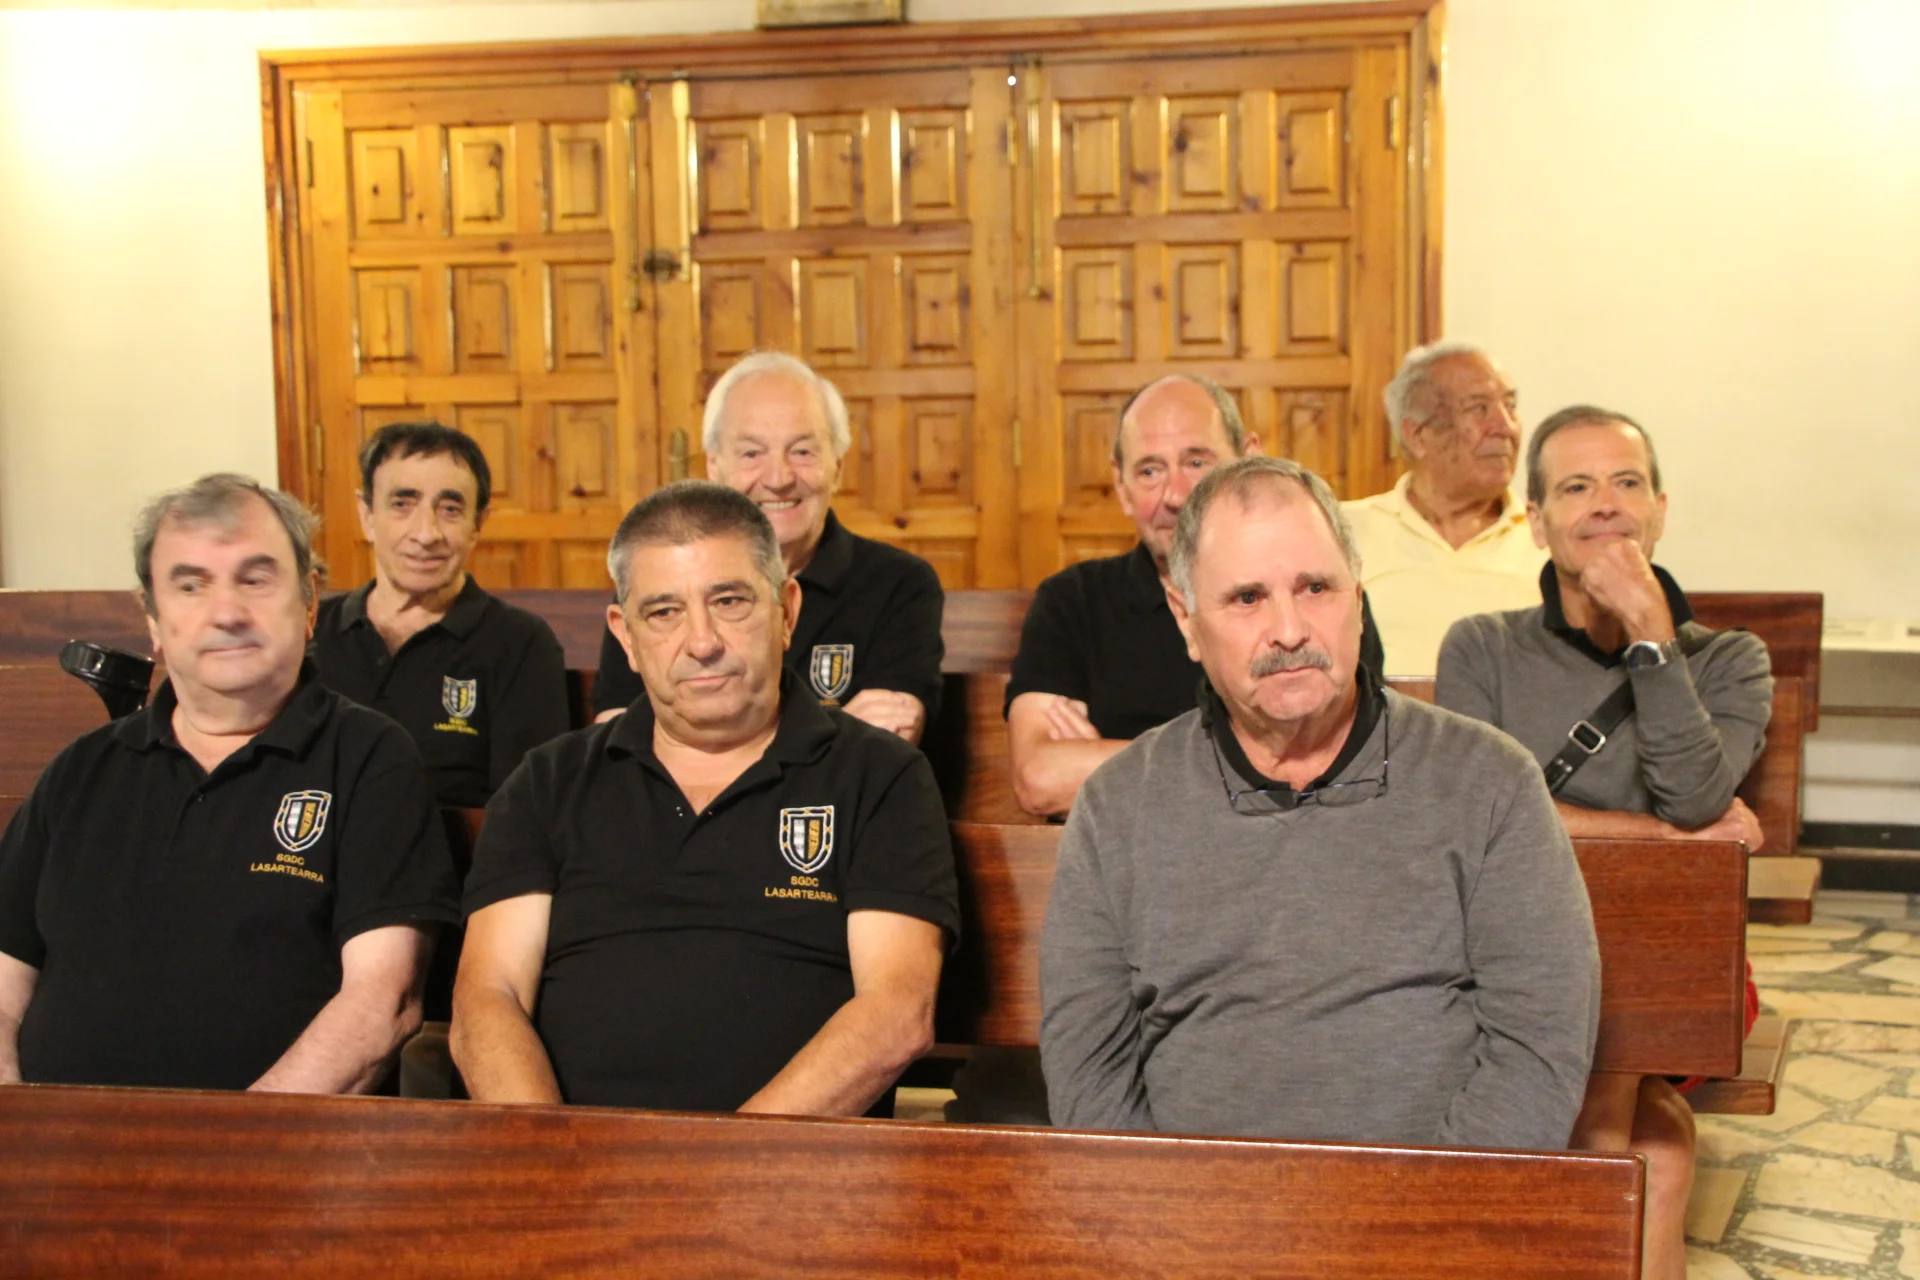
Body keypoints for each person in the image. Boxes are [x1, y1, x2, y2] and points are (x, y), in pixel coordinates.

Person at [1041, 456, 1599, 1149]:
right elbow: (1089, 1072)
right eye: (1247, 598)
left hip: (1434, 1204)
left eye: (1315, 588)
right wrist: (1172, 1209)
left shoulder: (1489, 782)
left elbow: (1537, 1052)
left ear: (1357, 598)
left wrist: (1427, 1208)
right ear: (1186, 620)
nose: (1289, 630)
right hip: (1186, 1208)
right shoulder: (1118, 805)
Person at [452, 482, 958, 1115]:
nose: (701, 641)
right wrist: (553, 1157)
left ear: (787, 611)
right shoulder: (548, 780)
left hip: (791, 1159)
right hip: (572, 1156)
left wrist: (720, 1163)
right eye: (663, 612)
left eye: (729, 601)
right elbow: (488, 999)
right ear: (626, 637)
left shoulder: (879, 775)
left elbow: (897, 1012)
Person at [1436, 405, 1773, 1280]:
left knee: (1616, 1018)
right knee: (1655, 1146)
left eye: (1627, 483)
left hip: (1677, 968)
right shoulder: (1483, 647)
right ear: (1538, 520)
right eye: (1576, 487)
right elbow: (1480, 817)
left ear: (1659, 509)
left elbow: (1695, 795)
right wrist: (1661, 836)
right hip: (1505, 953)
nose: (1605, 504)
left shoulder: (1730, 660)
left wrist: (1653, 639)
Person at [0, 474, 458, 1093]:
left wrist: (233, 1140)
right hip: (51, 1141)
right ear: (154, 620)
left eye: (255, 579)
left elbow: (383, 1002)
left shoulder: (370, 759)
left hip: (268, 1143)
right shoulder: (82, 770)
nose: (226, 614)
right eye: (191, 585)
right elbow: (5, 979)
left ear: (310, 603)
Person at [1005, 374, 1383, 818]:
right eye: (1149, 471)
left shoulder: (1316, 597)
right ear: (1121, 486)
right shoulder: (1072, 602)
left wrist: (1112, 767)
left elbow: (1330, 761)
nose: (1176, 496)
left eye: (1197, 462)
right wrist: (1250, 767)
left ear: (1248, 458)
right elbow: (1042, 779)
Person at [592, 352, 943, 745]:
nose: (778, 478)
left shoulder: (897, 583)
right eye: (752, 453)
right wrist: (833, 733)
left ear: (838, 468)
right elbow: (618, 743)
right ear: (714, 467)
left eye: (802, 451)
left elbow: (882, 747)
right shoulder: (656, 581)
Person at [313, 422, 569, 812]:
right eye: (402, 504)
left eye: (450, 509)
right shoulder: (308, 632)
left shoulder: (520, 644)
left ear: (477, 525)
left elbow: (528, 815)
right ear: (367, 515)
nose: (427, 533)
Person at [1343, 341, 1547, 676]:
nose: (1505, 427)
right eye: (1479, 409)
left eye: (1510, 406)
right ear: (1418, 435)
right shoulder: (1342, 532)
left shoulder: (1550, 538)